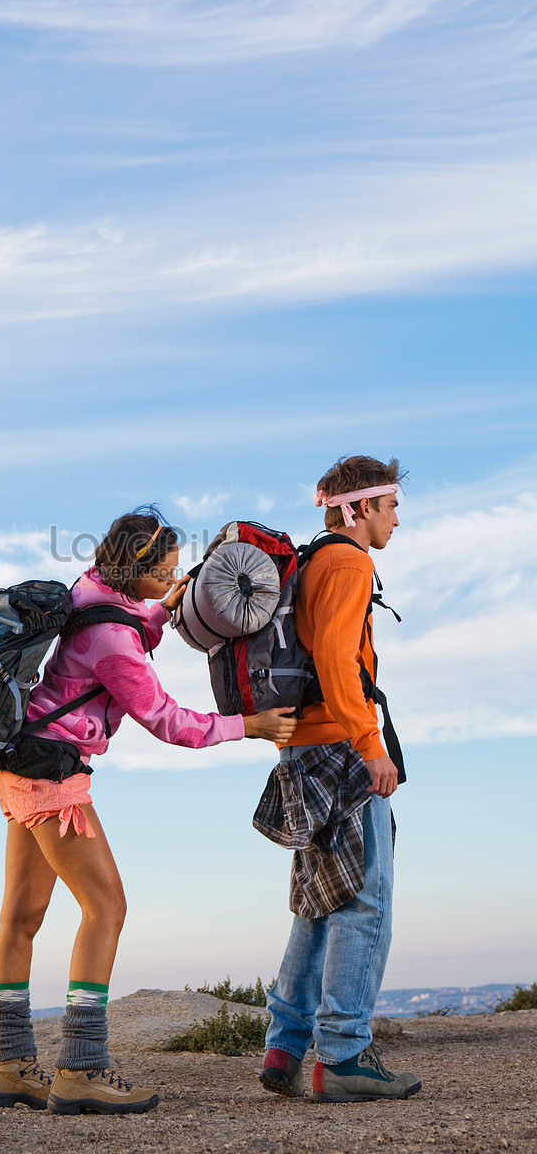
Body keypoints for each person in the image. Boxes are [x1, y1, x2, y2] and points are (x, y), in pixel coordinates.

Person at [0, 508, 297, 1116]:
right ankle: (81, 1068)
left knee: (20, 917)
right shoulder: (115, 640)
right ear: (137, 569)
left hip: (18, 763)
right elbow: (166, 720)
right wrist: (247, 726)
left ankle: (10, 1066)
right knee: (107, 908)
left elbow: (116, 625)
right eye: (168, 572)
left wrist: (162, 605)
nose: (175, 579)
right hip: (55, 776)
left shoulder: (88, 591)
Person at [260, 456, 422, 1103]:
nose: (397, 518)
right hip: (340, 750)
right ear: (358, 509)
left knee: (320, 897)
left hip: (299, 750)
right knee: (366, 897)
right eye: (391, 506)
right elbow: (334, 656)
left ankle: (286, 1044)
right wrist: (370, 745)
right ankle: (345, 1055)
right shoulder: (351, 562)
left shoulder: (312, 560)